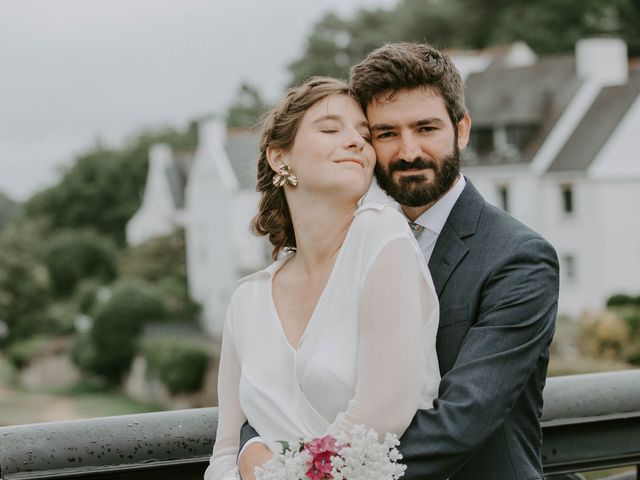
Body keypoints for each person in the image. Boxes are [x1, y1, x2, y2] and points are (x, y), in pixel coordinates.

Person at [238, 43, 560, 480]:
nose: (408, 152)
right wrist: (255, 447)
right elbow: (284, 382)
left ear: (461, 129)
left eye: (426, 129)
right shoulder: (340, 250)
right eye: (386, 134)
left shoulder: (519, 258)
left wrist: (307, 469)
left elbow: (460, 422)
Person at [204, 77, 441, 480]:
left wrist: (279, 475)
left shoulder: (383, 237)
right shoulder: (247, 300)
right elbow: (225, 451)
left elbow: (382, 410)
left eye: (363, 135)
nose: (356, 142)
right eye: (331, 129)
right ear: (280, 158)